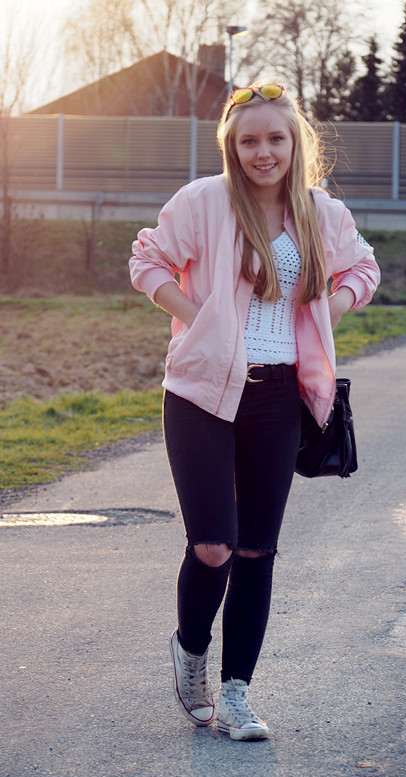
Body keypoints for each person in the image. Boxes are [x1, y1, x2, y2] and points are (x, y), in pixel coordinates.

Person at [129, 83, 380, 741]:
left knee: (256, 549)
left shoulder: (320, 212)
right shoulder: (204, 202)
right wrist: (201, 321)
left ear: (295, 143)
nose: (263, 152)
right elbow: (147, 261)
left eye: (275, 138)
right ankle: (191, 652)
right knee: (213, 546)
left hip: (276, 398)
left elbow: (363, 269)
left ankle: (236, 694)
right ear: (231, 147)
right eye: (249, 141)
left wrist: (330, 310)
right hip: (201, 393)